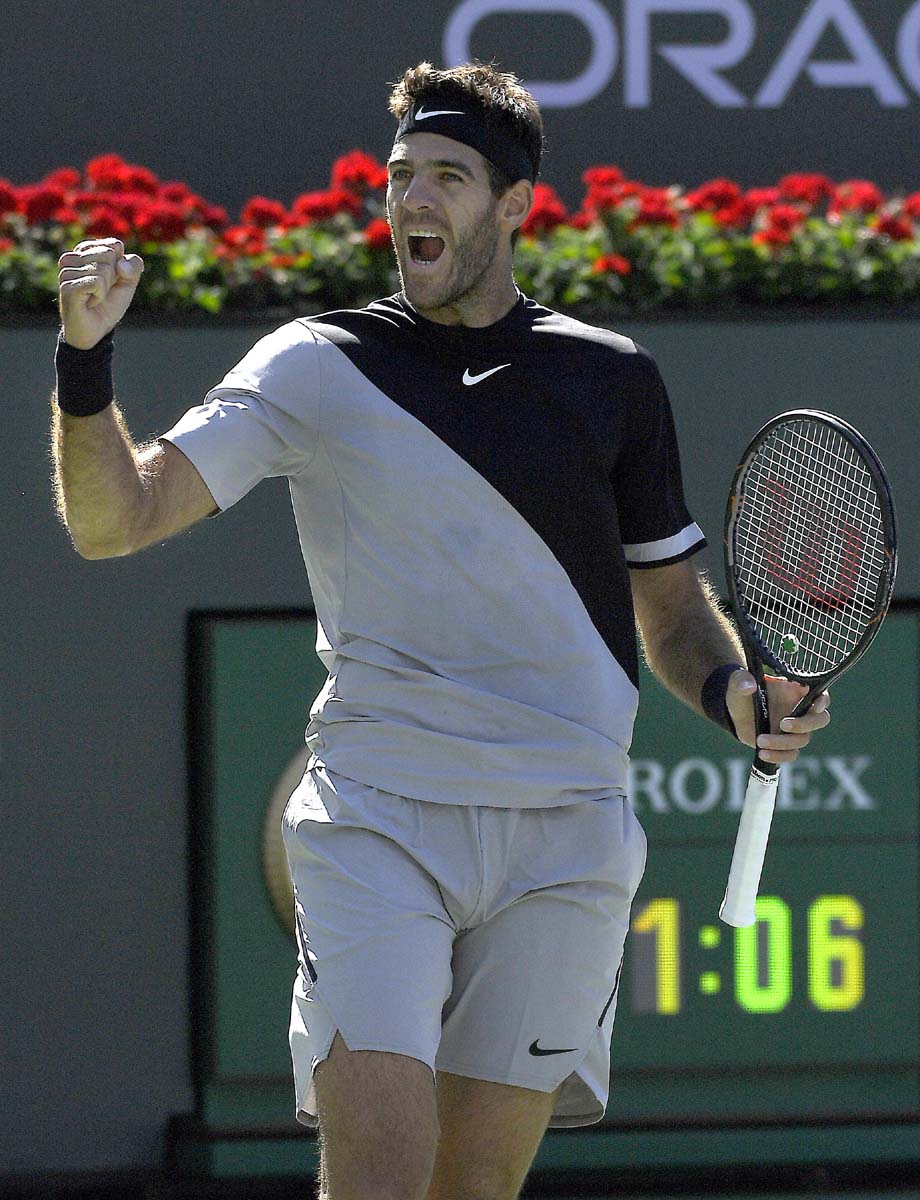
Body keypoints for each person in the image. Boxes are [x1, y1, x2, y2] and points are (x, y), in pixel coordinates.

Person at [52, 61, 829, 1200]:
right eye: (399, 175)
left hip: (563, 835)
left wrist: (734, 699)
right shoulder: (314, 366)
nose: (411, 200)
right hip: (378, 817)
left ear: (513, 206)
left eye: (447, 178)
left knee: (470, 1188)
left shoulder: (611, 382)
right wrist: (83, 365)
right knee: (381, 1174)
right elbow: (116, 520)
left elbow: (668, 614)